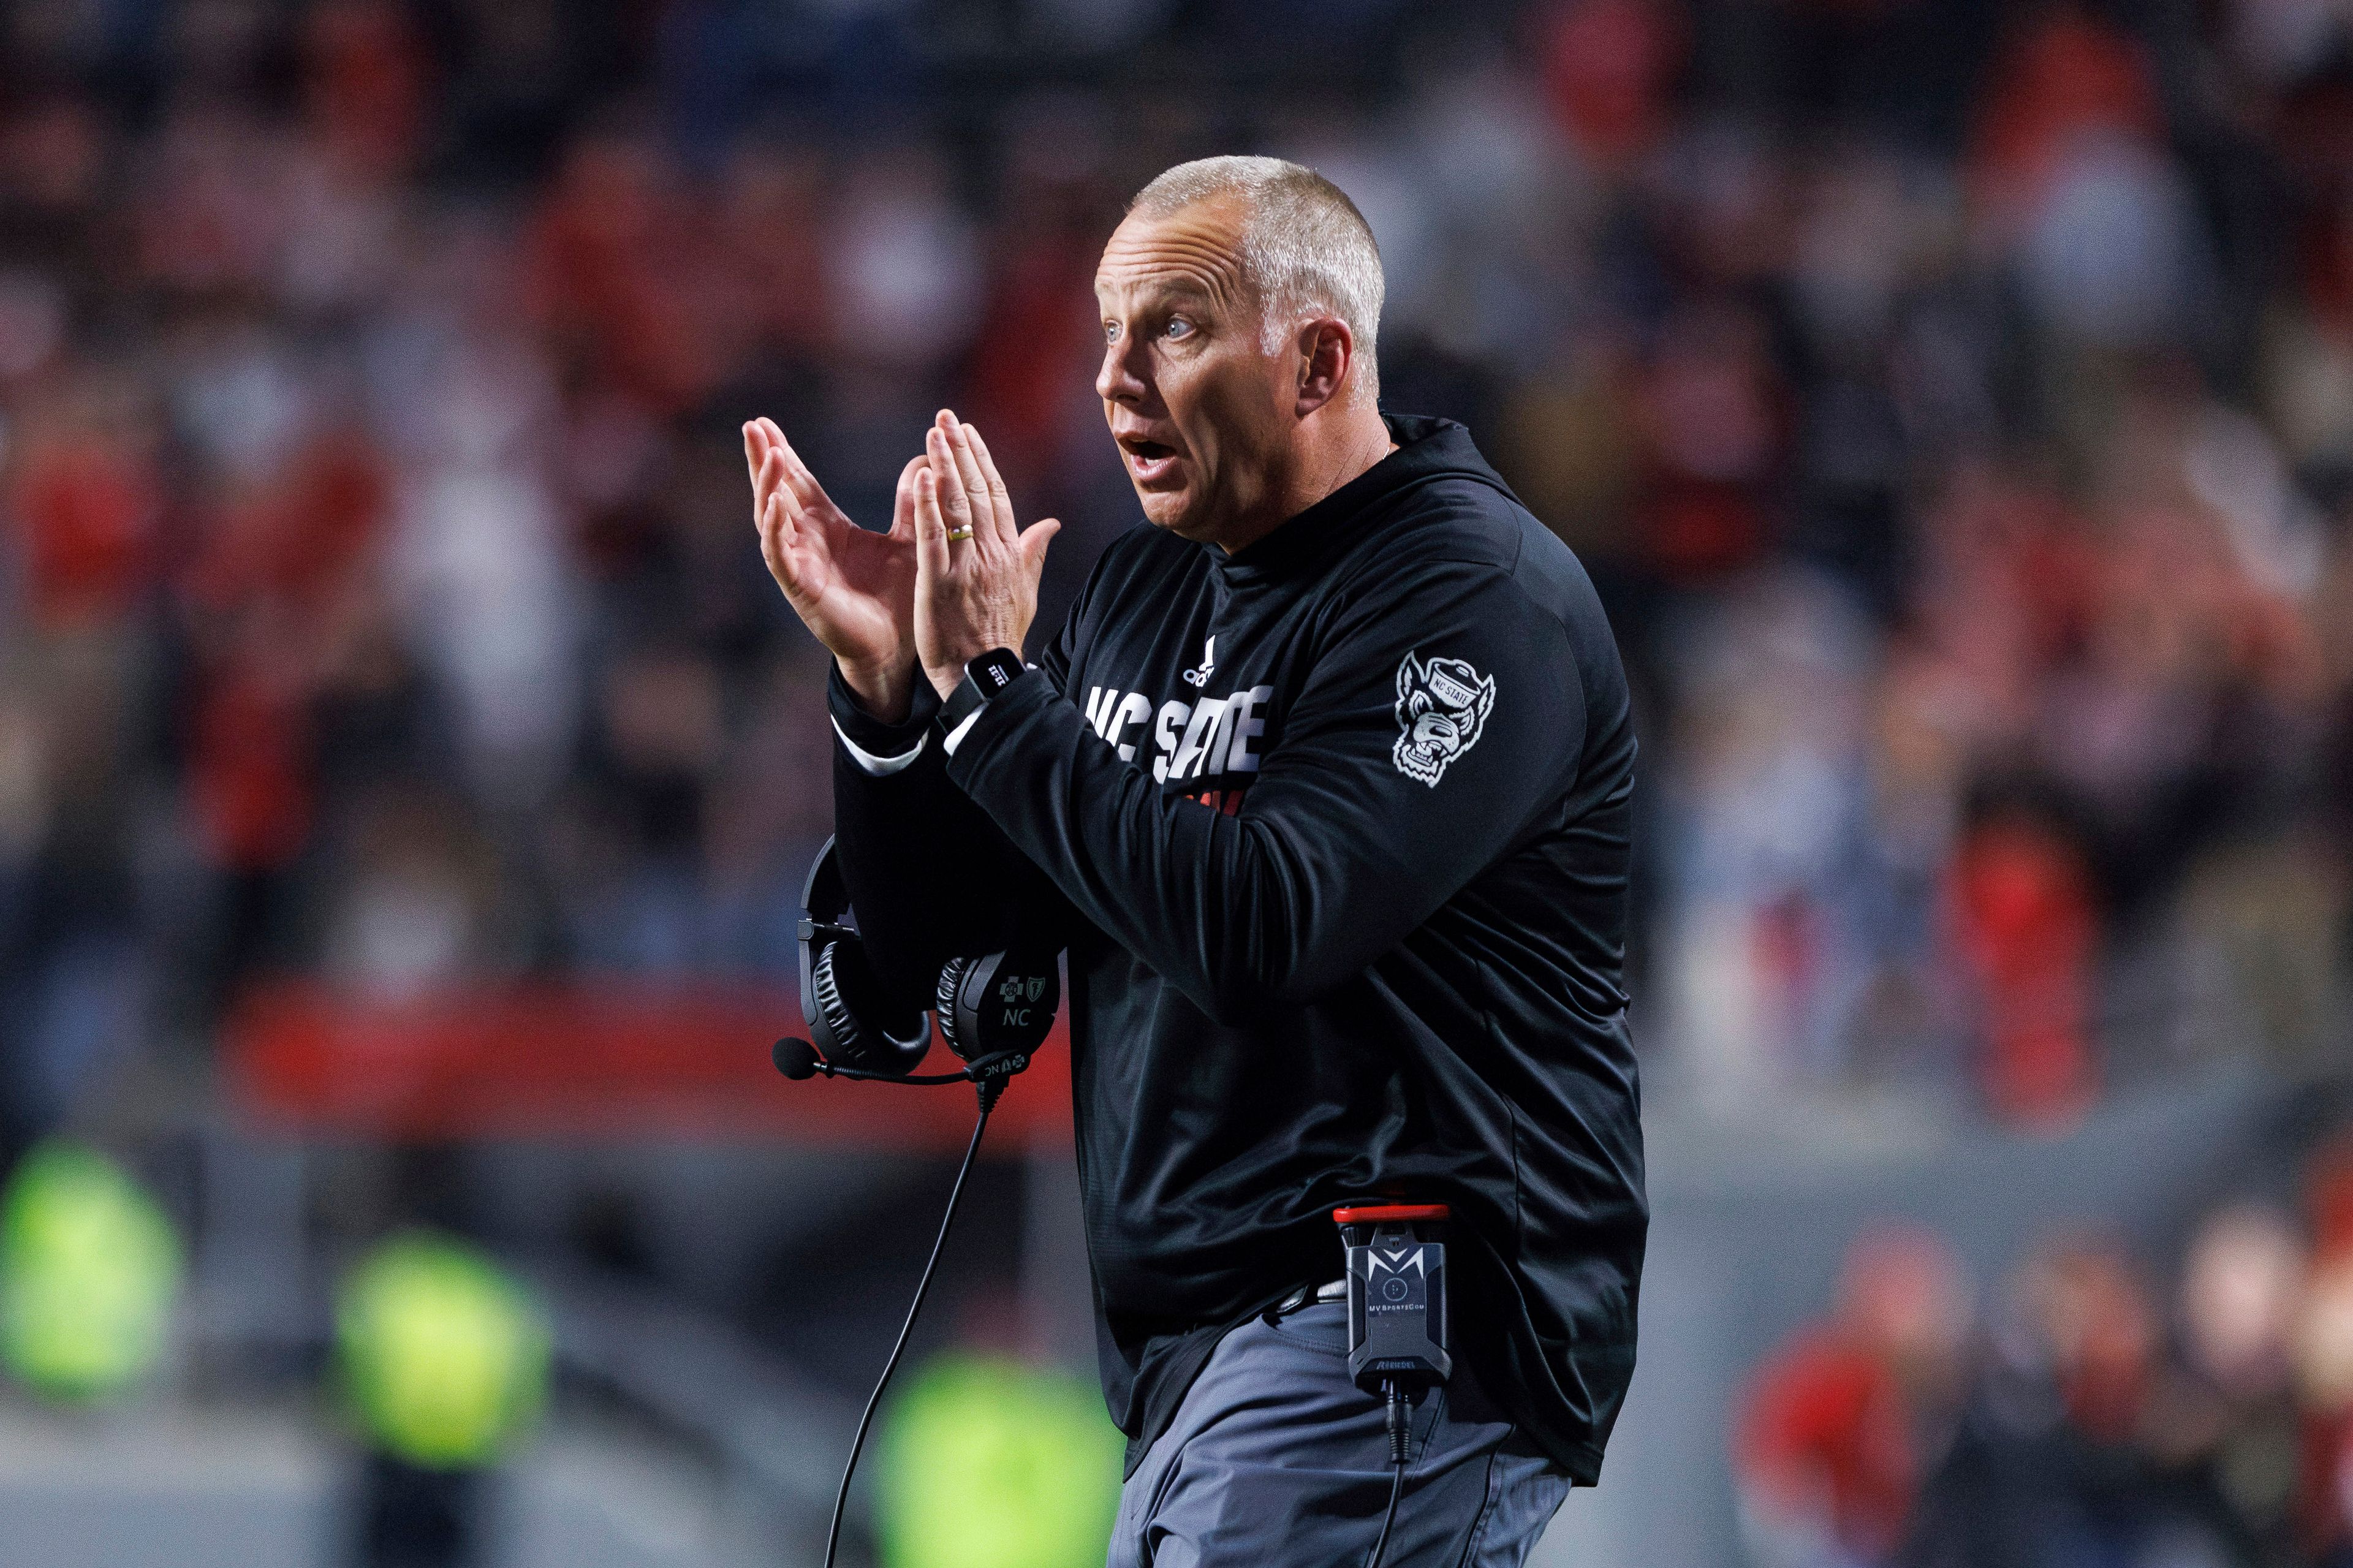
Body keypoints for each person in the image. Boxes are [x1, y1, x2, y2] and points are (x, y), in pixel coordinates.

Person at [745, 155, 1645, 1566]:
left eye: (1171, 326)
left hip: (1385, 1334)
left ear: (1318, 358)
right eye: (1107, 328)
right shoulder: (1143, 589)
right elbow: (961, 942)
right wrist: (891, 703)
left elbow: (1263, 927)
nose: (1111, 377)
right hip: (1199, 1368)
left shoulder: (1474, 596)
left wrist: (989, 685)